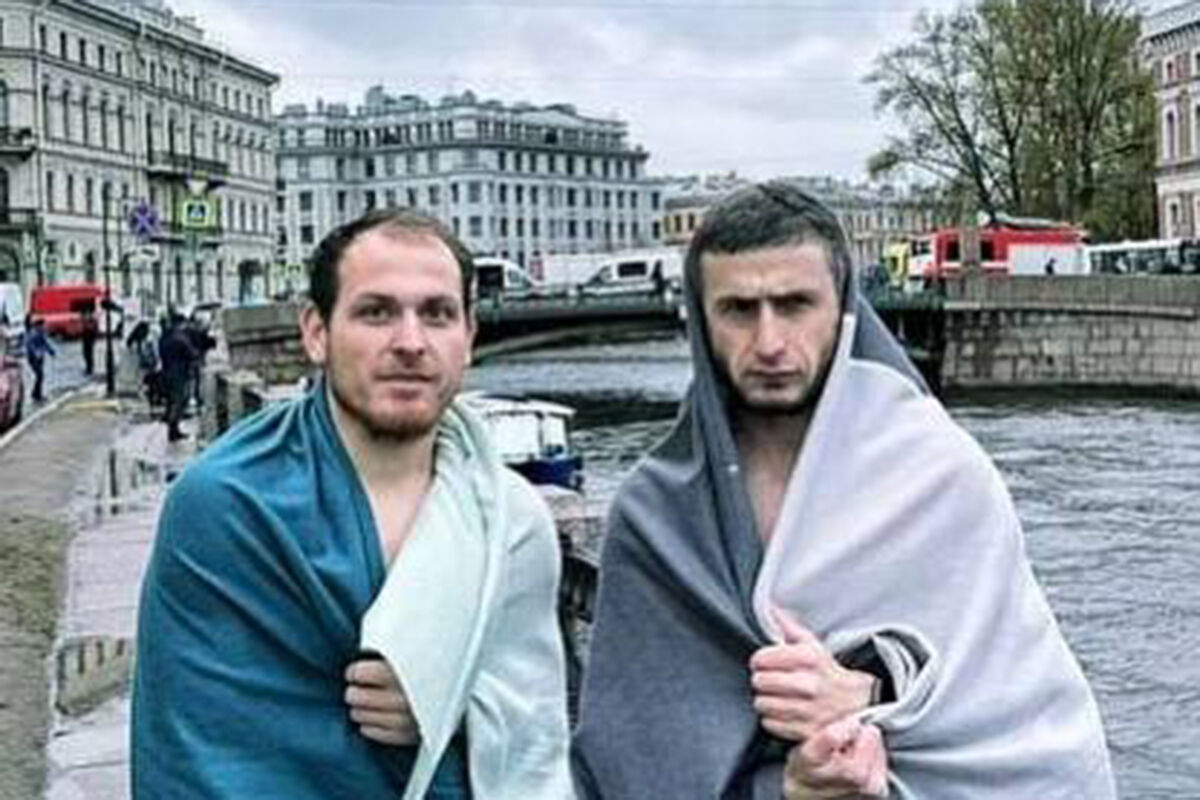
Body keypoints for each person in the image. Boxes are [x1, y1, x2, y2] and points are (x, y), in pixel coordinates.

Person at [571, 182, 1115, 798]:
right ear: (700, 319)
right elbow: (632, 761)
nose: (770, 342)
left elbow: (1015, 708)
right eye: (739, 310)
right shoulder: (652, 516)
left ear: (844, 310)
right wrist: (786, 789)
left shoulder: (941, 475)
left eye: (795, 304)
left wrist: (872, 696)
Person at [132, 208, 573, 798]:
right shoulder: (227, 506)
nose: (411, 342)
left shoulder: (511, 520)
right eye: (376, 312)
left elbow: (534, 722)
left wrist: (446, 698)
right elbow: (200, 755)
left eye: (437, 314)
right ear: (317, 332)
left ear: (468, 337)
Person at [156, 311, 197, 441]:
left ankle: (173, 429)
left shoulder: (163, 339)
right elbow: (191, 352)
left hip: (167, 371)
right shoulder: (178, 338)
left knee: (173, 400)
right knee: (179, 400)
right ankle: (173, 429)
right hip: (179, 373)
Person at [24, 316, 55, 403]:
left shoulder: (42, 332)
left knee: (40, 376)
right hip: (33, 358)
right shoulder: (33, 334)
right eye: (41, 325)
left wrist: (51, 351)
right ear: (37, 326)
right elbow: (30, 346)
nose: (43, 327)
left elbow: (45, 343)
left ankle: (37, 394)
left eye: (43, 325)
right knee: (40, 375)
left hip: (40, 356)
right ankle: (36, 394)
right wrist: (35, 354)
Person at [79, 306, 98, 376]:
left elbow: (93, 329)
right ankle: (88, 367)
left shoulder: (92, 320)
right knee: (85, 354)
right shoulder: (85, 320)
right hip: (85, 339)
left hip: (90, 339)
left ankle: (90, 369)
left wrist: (86, 324)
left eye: (86, 313)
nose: (85, 315)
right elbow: (83, 329)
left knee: (89, 354)